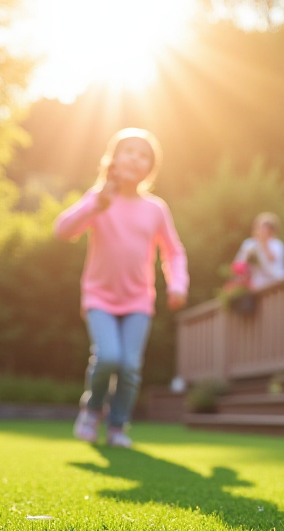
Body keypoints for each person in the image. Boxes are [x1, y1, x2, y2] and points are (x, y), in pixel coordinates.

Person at [54, 128, 188, 448]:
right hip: (99, 296)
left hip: (139, 299)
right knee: (108, 357)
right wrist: (94, 206)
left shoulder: (156, 208)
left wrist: (178, 283)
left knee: (129, 367)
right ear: (114, 159)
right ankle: (91, 410)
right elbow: (63, 230)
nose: (135, 158)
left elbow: (173, 251)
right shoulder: (98, 199)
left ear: (149, 168)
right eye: (129, 151)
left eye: (144, 155)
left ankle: (117, 426)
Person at [233, 212, 284, 290]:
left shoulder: (277, 244)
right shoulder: (249, 244)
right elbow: (239, 264)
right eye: (259, 227)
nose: (261, 230)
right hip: (257, 287)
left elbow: (273, 259)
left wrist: (263, 243)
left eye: (264, 228)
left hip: (276, 285)